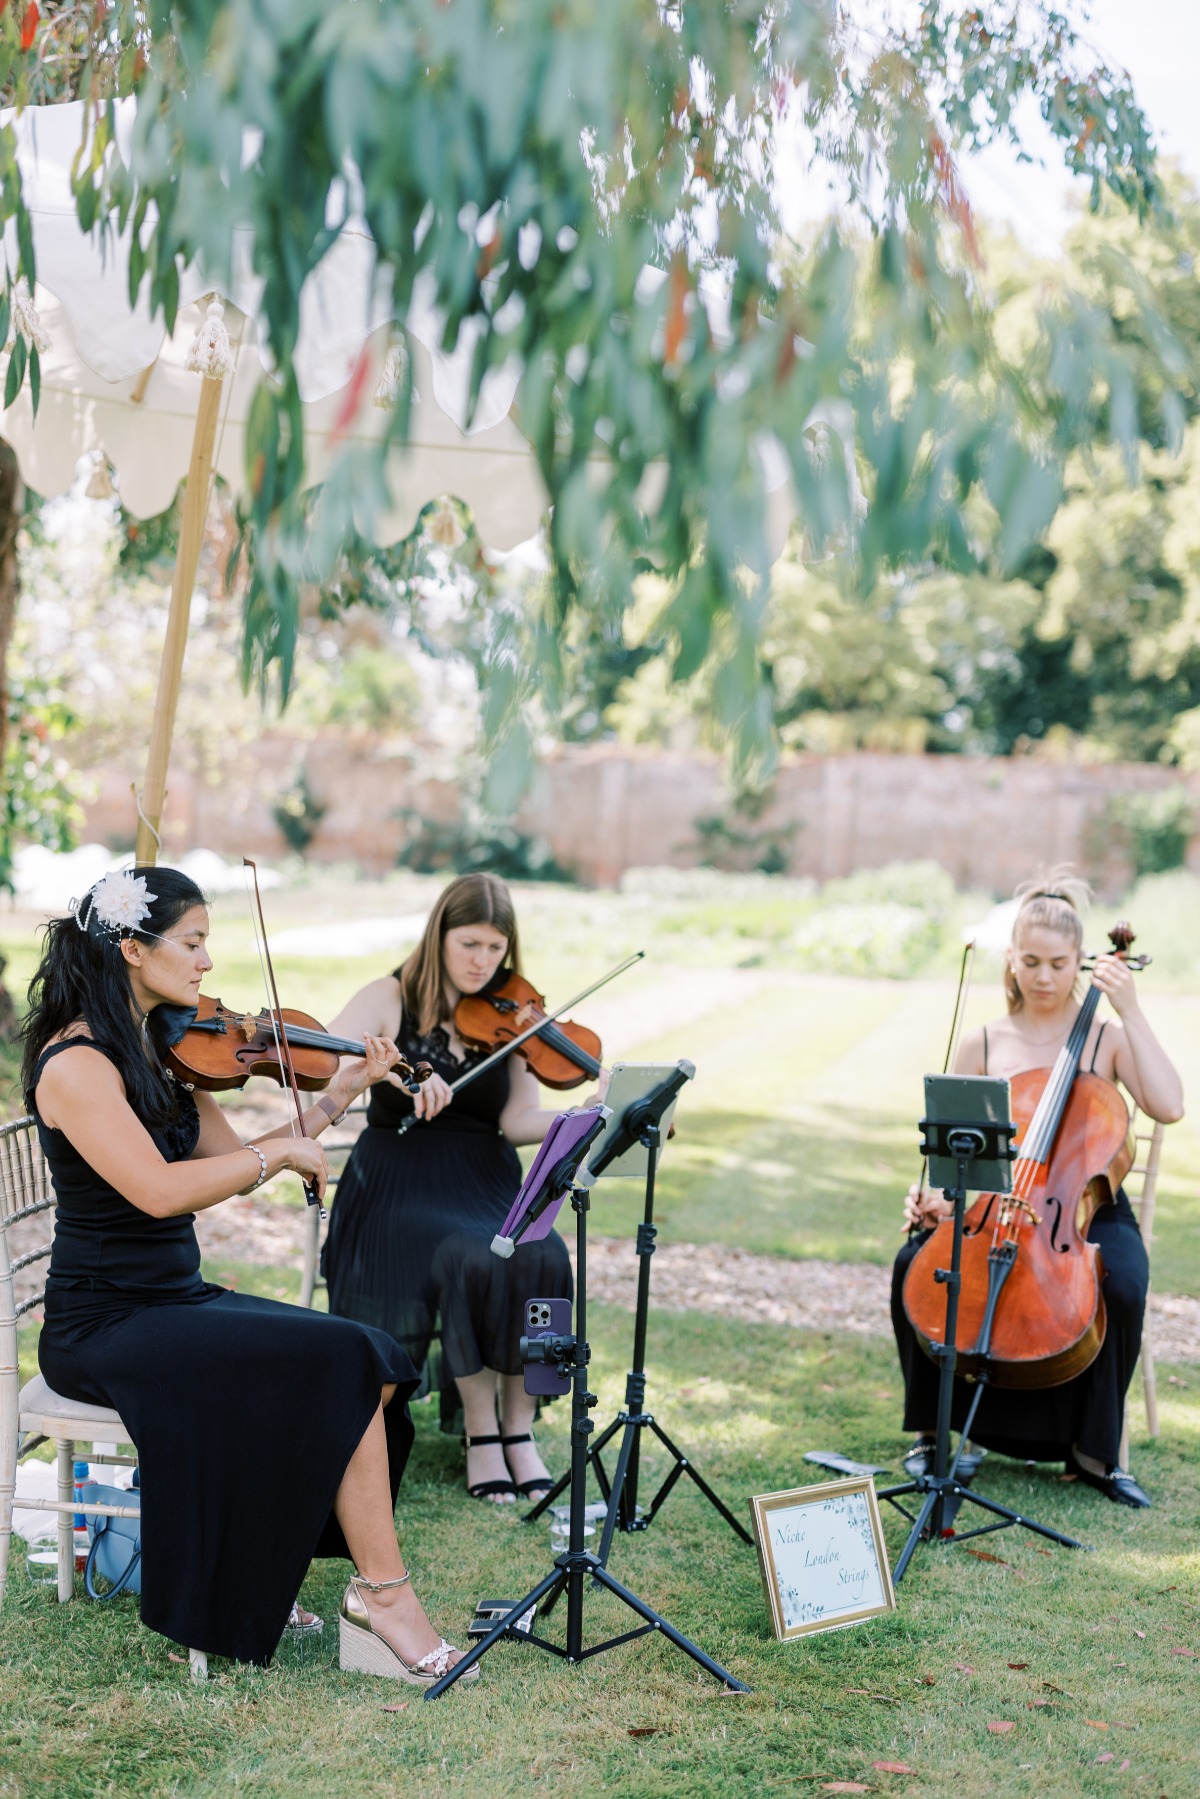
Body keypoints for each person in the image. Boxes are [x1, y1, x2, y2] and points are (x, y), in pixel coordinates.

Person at [25, 865, 475, 1684]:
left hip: (174, 1301)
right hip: (103, 1324)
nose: (205, 964)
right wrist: (277, 1155)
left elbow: (235, 1158)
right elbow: (160, 1193)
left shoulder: (161, 1050)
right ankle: (384, 1599)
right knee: (342, 1360)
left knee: (369, 1356)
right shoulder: (77, 1065)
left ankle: (276, 1575)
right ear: (131, 948)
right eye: (192, 943)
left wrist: (340, 1090)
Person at [891, 873, 1184, 1509]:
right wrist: (938, 1199)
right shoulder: (985, 1041)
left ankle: (1093, 1451)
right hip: (993, 1203)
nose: (1044, 977)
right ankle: (931, 1435)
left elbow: (1168, 1104)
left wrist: (1129, 1007)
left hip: (1081, 1207)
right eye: (1031, 962)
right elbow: (950, 1156)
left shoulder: (1105, 1038)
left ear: (1080, 963)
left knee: (1124, 1281)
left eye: (1058, 964)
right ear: (1011, 962)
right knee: (915, 1262)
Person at [322, 872, 606, 1505]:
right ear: (440, 935)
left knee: (544, 1251)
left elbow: (514, 1121)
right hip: (399, 1178)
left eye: (495, 949)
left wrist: (582, 1113)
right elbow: (326, 1059)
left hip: (485, 1175)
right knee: (471, 1254)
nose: (483, 963)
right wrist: (390, 1072)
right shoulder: (389, 996)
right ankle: (482, 1433)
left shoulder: (509, 1015)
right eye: (470, 945)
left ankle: (518, 1425)